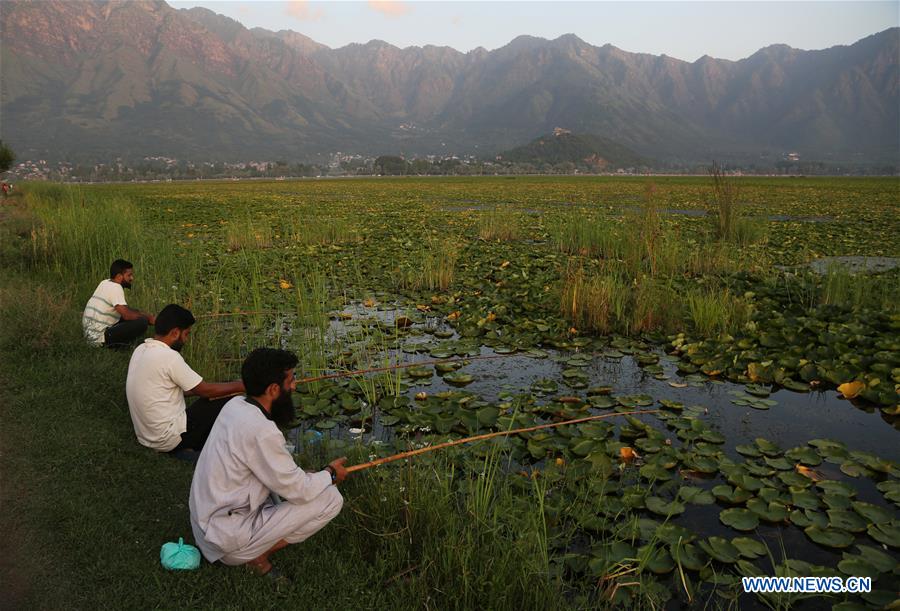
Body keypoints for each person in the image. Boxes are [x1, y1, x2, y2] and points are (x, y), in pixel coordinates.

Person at [190, 348, 348, 577]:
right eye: (291, 380)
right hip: (225, 541)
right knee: (331, 498)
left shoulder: (235, 405)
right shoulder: (262, 431)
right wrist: (331, 474)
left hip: (206, 526)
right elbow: (300, 491)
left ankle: (254, 544)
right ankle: (257, 556)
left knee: (309, 479)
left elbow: (276, 472)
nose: (294, 386)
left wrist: (314, 476)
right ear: (273, 389)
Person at [126, 304, 244, 454]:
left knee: (221, 392)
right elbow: (205, 391)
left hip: (147, 437)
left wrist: (213, 388)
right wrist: (243, 386)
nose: (186, 340)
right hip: (168, 440)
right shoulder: (169, 357)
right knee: (231, 399)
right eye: (186, 334)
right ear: (175, 333)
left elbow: (165, 390)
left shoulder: (141, 349)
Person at [82, 259, 156, 348]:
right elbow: (127, 315)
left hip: (90, 337)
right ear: (119, 276)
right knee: (142, 321)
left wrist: (144, 314)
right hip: (100, 339)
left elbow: (126, 310)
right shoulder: (116, 287)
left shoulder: (105, 282)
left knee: (134, 313)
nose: (132, 278)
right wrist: (148, 318)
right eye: (129, 275)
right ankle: (120, 346)